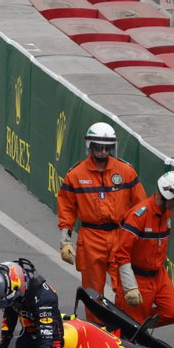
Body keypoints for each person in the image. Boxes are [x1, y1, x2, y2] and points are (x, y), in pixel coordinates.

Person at [57, 121, 142, 303]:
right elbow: (66, 208)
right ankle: (96, 328)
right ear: (91, 146)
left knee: (125, 288)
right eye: (99, 147)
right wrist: (65, 241)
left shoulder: (126, 171)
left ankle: (122, 329)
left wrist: (139, 239)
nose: (103, 151)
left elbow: (141, 207)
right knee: (93, 290)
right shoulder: (76, 175)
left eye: (107, 147)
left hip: (120, 236)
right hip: (91, 238)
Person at [112, 170, 174, 327]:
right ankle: (130, 323)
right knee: (129, 332)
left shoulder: (166, 214)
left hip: (158, 276)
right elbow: (121, 255)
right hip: (137, 278)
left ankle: (137, 323)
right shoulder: (138, 216)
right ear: (165, 194)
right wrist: (130, 287)